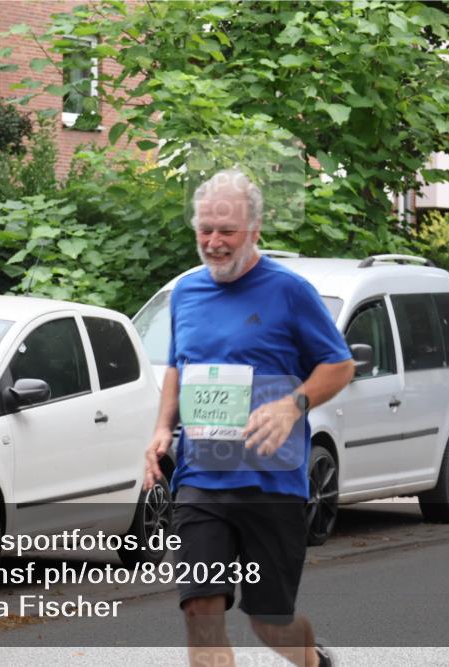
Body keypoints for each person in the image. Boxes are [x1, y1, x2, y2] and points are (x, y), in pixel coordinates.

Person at [143, 169, 354, 667]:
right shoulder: (186, 294)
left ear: (255, 229)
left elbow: (340, 365)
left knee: (270, 622)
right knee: (200, 608)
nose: (214, 242)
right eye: (205, 230)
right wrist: (160, 430)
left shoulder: (289, 291)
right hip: (201, 479)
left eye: (227, 231)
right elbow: (179, 366)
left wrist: (292, 404)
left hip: (272, 482)